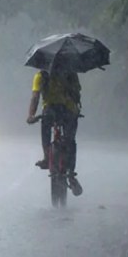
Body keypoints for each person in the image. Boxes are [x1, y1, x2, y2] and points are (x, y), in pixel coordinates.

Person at [26, 55, 83, 196]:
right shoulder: (71, 74)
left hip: (50, 111)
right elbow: (77, 94)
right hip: (68, 111)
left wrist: (31, 115)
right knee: (70, 140)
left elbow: (35, 97)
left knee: (45, 129)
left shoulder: (41, 76)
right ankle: (71, 173)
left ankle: (47, 157)